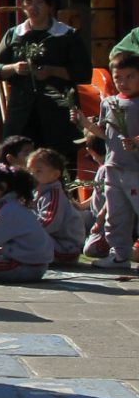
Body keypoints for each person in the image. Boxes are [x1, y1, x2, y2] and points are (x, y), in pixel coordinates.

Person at [0, 0, 93, 150]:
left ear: (49, 5)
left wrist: (52, 71)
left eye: (39, 2)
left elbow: (83, 73)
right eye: (28, 2)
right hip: (21, 113)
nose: (33, 7)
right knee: (17, 157)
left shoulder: (67, 35)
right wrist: (14, 68)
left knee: (58, 157)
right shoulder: (14, 34)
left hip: (57, 112)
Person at [78, 50, 139, 269]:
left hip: (135, 170)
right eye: (118, 78)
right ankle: (119, 256)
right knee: (116, 215)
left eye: (130, 76)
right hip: (113, 167)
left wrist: (136, 142)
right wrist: (85, 123)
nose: (123, 82)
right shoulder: (109, 103)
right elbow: (105, 134)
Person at [26, 147, 90, 265]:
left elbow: (49, 224)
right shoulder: (38, 193)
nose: (32, 175)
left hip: (65, 248)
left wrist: (25, 228)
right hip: (51, 243)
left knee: (23, 240)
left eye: (38, 171)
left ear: (55, 174)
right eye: (30, 171)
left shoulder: (54, 195)